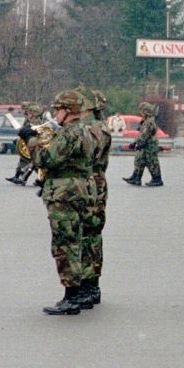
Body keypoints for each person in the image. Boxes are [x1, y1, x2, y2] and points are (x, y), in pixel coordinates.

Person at [20, 89, 95, 315]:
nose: (54, 113)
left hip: (64, 193)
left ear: (67, 110)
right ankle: (80, 293)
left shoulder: (69, 134)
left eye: (57, 109)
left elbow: (46, 159)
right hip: (79, 189)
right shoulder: (85, 131)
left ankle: (70, 297)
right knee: (77, 241)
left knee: (65, 244)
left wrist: (30, 139)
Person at [78, 87, 113, 307]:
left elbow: (85, 157)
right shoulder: (97, 126)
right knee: (90, 235)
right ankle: (90, 284)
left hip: (92, 183)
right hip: (94, 182)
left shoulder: (94, 129)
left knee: (88, 235)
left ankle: (89, 285)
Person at [124, 102, 164, 186]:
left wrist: (136, 143)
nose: (141, 113)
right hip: (145, 145)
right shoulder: (146, 121)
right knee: (139, 161)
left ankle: (157, 179)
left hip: (149, 146)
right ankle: (136, 178)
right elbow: (141, 134)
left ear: (146, 112)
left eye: (142, 111)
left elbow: (144, 135)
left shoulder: (149, 122)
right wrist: (135, 142)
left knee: (152, 163)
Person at [8, 101, 46, 185]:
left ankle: (43, 179)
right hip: (30, 143)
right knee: (33, 163)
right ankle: (21, 176)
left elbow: (33, 132)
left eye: (29, 112)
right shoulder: (32, 120)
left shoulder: (35, 121)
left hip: (34, 144)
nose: (26, 113)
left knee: (36, 163)